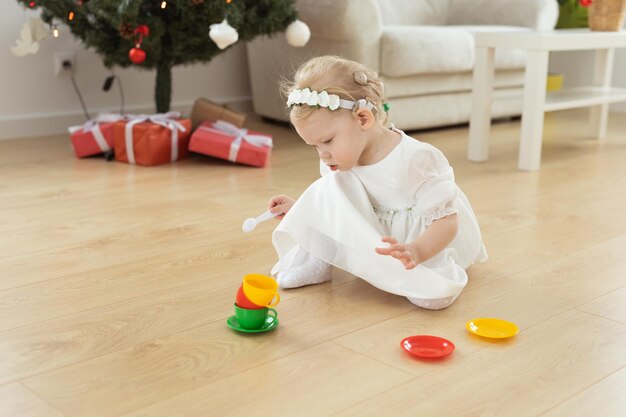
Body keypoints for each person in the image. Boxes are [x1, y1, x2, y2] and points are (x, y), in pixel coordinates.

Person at [268, 56, 487, 309]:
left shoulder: (414, 160)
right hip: (374, 233)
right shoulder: (337, 160)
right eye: (315, 146)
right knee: (329, 187)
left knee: (432, 297)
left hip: (421, 240)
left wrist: (417, 250)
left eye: (327, 141)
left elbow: (447, 221)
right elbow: (333, 204)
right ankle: (319, 261)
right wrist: (301, 209)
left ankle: (430, 268)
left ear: (363, 119)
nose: (323, 154)